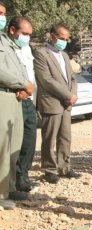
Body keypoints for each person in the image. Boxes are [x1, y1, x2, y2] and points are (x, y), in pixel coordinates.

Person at [34, 24, 80, 184]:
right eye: (62, 38)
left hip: (66, 104)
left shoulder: (65, 56)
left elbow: (72, 78)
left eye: (67, 39)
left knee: (65, 137)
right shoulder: (41, 54)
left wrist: (73, 94)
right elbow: (46, 80)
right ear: (52, 36)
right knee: (49, 137)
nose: (64, 41)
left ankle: (64, 167)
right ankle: (49, 169)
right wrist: (67, 95)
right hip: (51, 102)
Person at [0, 13, 34, 209]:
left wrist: (23, 88)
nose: (2, 17)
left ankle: (10, 186)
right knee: (3, 147)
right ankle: (1, 192)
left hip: (15, 97)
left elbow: (19, 69)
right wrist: (22, 83)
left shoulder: (9, 43)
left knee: (14, 145)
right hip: (3, 96)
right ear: (13, 30)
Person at [11, 17, 38, 193]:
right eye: (24, 34)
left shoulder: (27, 48)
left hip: (29, 100)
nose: (27, 37)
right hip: (15, 99)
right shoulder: (7, 48)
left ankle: (23, 176)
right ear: (13, 31)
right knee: (15, 142)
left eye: (29, 34)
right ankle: (13, 181)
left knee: (29, 140)